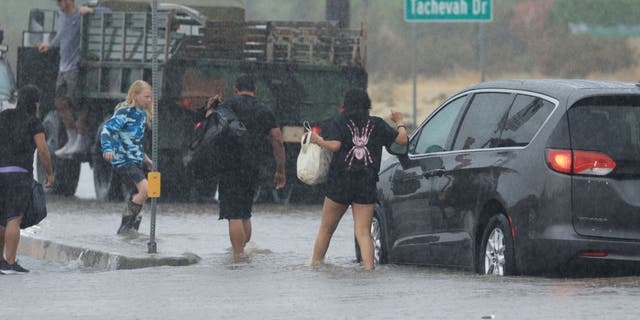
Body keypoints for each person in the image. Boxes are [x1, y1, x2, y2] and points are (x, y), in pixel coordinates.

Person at [309, 88, 408, 271]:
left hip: (340, 182)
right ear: (367, 104)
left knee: (326, 229)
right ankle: (369, 271)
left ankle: (315, 266)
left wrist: (319, 141)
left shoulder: (339, 122)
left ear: (345, 105)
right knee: (363, 232)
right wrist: (400, 122)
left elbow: (336, 145)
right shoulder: (377, 124)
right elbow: (402, 140)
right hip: (366, 182)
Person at [216, 74, 286, 259]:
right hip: (253, 165)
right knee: (245, 212)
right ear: (255, 91)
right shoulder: (264, 110)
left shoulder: (227, 106)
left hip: (229, 165)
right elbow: (277, 139)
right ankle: (245, 253)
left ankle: (238, 257)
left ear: (236, 90)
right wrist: (280, 170)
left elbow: (211, 131)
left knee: (233, 214)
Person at [0, 85, 54, 274]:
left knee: (1, 220)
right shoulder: (34, 122)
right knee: (14, 219)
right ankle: (11, 261)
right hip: (19, 174)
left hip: (0, 172)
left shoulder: (4, 116)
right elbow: (43, 150)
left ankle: (0, 261)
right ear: (36, 102)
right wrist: (49, 172)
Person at [37, 0, 100, 157]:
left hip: (74, 68)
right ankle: (71, 139)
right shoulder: (62, 16)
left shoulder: (79, 15)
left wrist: (91, 10)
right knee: (60, 103)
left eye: (60, 2)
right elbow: (61, 33)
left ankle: (80, 139)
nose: (58, 5)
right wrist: (50, 45)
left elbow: (105, 10)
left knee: (77, 103)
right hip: (62, 68)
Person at [100, 80, 153, 236]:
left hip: (136, 160)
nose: (149, 100)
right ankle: (125, 228)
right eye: (146, 97)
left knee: (138, 195)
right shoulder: (124, 112)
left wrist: (147, 159)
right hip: (124, 160)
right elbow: (107, 130)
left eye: (150, 97)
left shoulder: (142, 115)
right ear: (135, 96)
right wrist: (107, 149)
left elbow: (134, 141)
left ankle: (131, 231)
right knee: (146, 190)